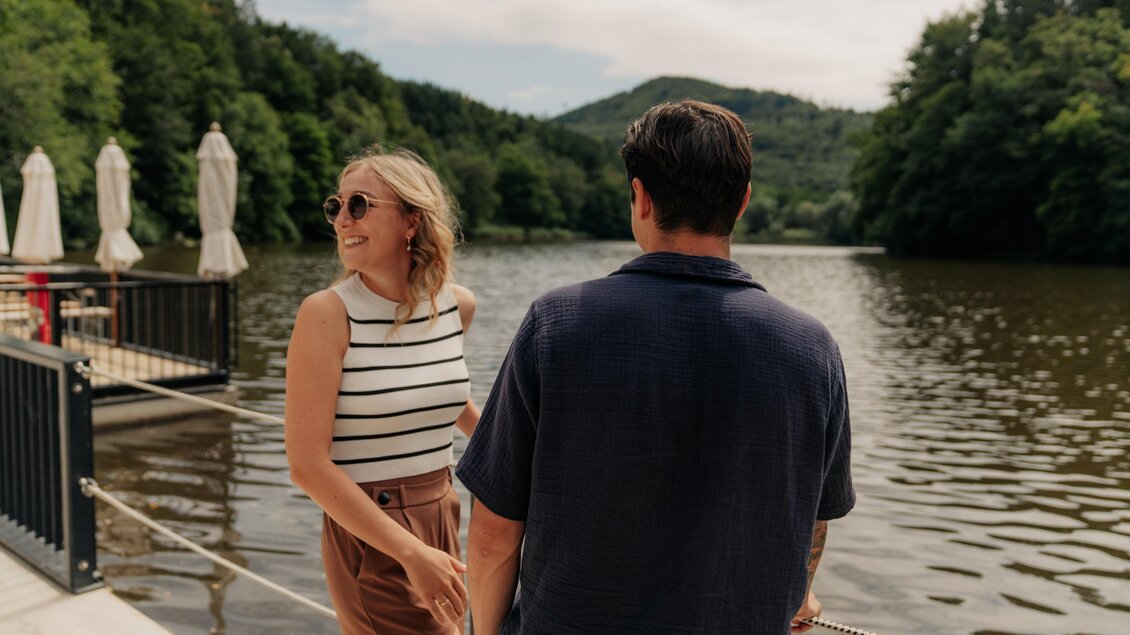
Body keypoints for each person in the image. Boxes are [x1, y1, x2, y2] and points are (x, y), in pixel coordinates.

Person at [456, 100, 855, 634]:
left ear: (640, 197)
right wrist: (797, 593)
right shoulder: (813, 348)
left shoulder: (557, 323)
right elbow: (813, 521)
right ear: (742, 203)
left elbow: (492, 535)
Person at [285, 146, 480, 635]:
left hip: (442, 506)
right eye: (336, 206)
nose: (342, 220)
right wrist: (411, 552)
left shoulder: (456, 306)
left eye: (359, 205)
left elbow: (442, 397)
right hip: (370, 526)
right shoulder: (327, 314)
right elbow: (307, 465)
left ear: (411, 220)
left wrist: (531, 458)